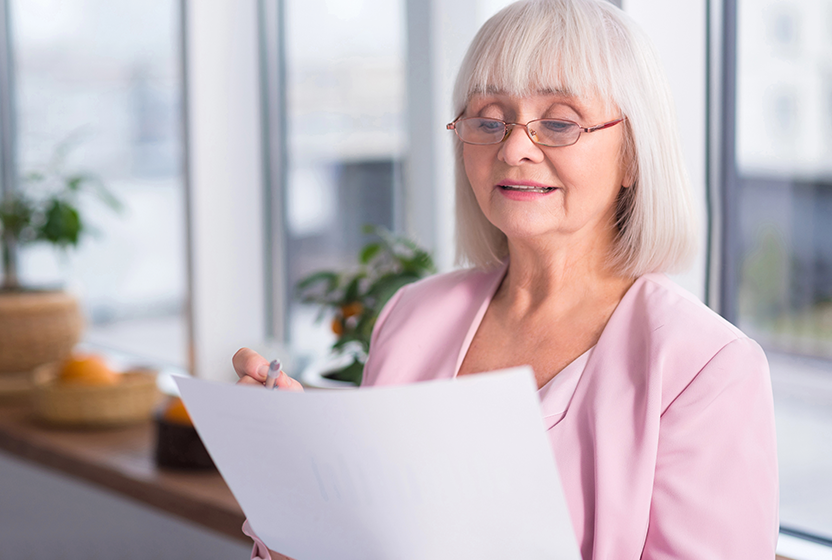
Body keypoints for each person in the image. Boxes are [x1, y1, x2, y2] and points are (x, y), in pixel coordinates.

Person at [234, 0, 779, 558]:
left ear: (634, 155)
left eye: (560, 123)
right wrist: (294, 481)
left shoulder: (706, 370)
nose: (514, 147)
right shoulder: (410, 316)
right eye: (489, 121)